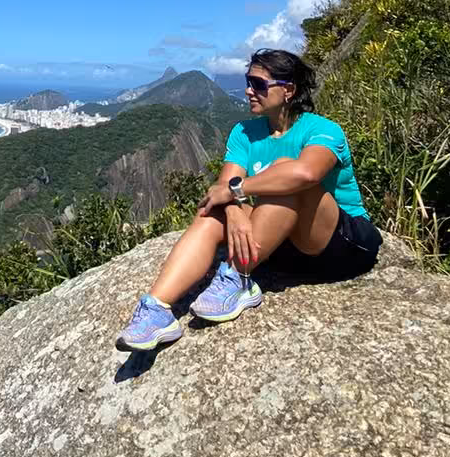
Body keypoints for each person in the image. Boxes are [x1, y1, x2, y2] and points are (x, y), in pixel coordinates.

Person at [115, 48, 382, 352]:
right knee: (212, 213)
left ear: (288, 90)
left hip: (340, 245)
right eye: (248, 81)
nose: (248, 91)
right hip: (283, 248)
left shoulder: (322, 129)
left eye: (258, 84)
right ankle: (157, 309)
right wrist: (235, 210)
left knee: (285, 170)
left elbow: (306, 173)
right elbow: (223, 187)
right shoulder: (244, 132)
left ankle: (238, 278)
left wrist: (236, 193)